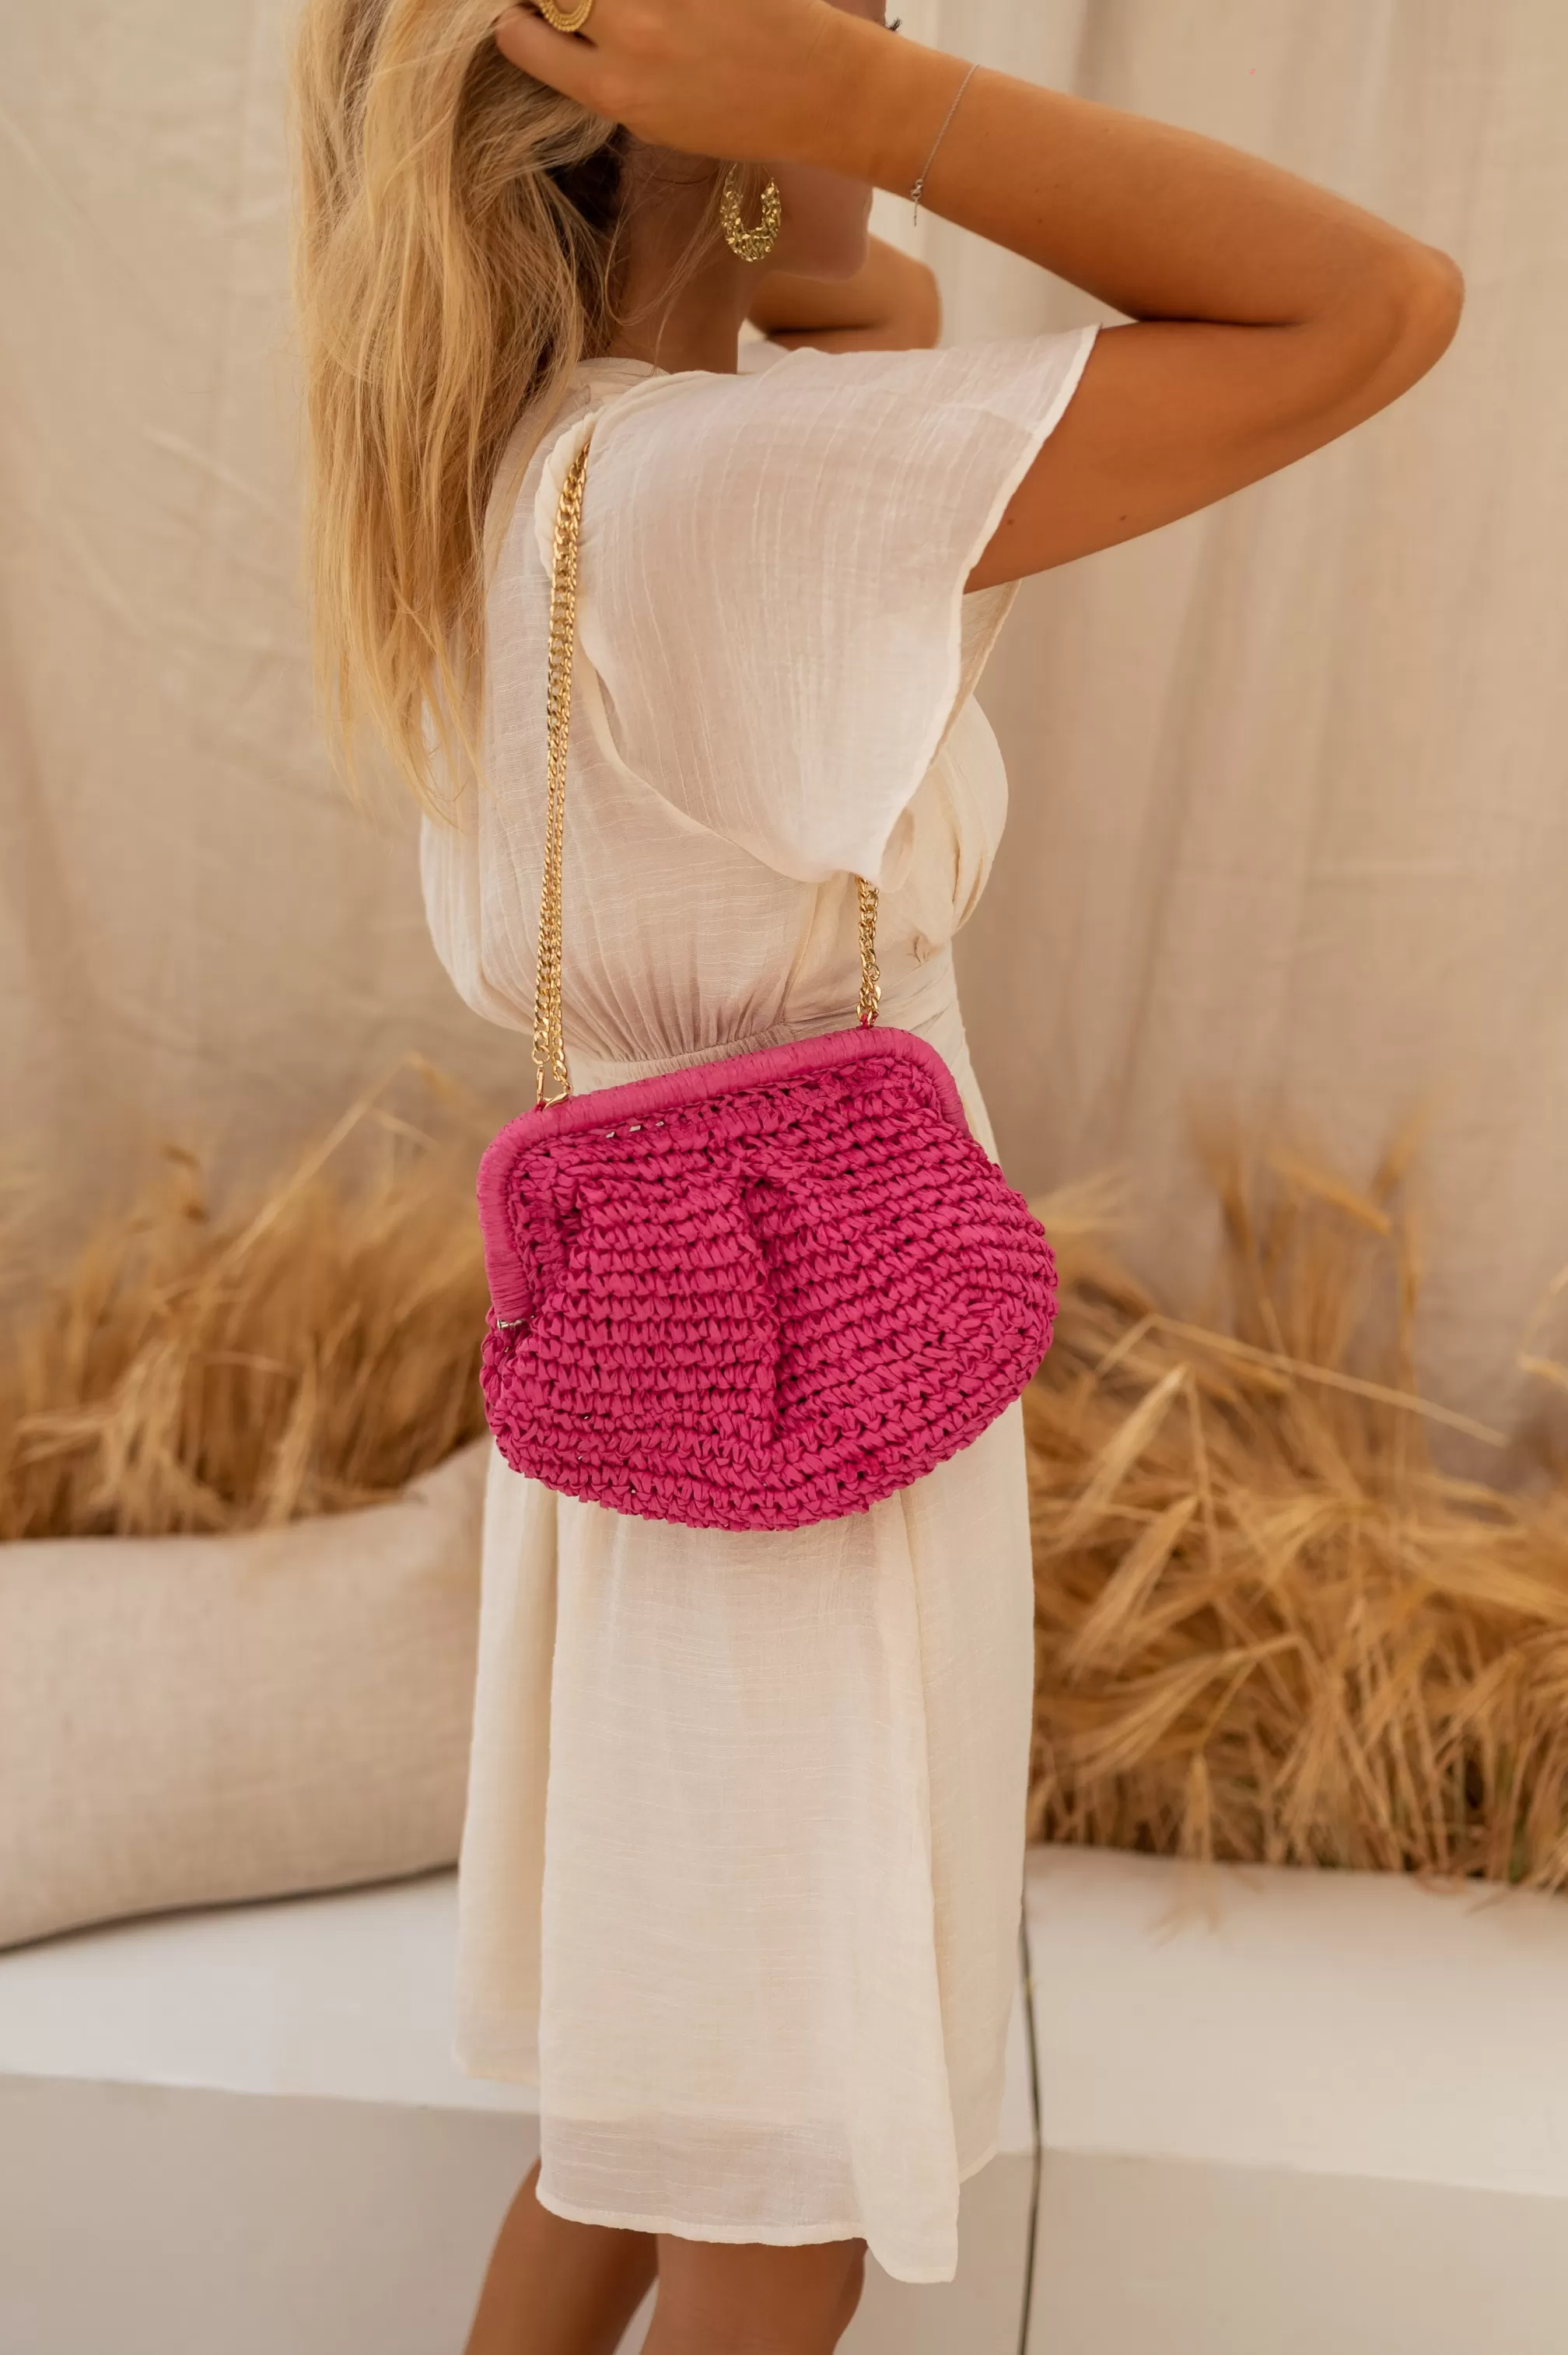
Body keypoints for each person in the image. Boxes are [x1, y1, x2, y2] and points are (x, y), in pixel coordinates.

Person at [291, 2, 1462, 2348]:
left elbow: (871, 305)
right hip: (809, 1415)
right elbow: (1373, 306)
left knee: (646, 2122)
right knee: (779, 2180)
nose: (884, 38)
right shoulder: (735, 499)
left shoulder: (538, 462)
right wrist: (861, 113)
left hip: (678, 1381)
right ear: (675, 83)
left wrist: (768, 165)